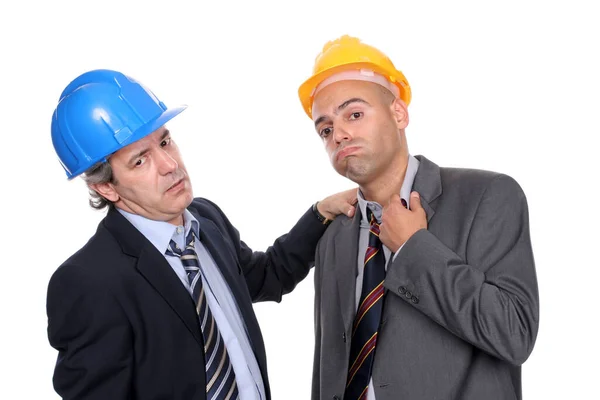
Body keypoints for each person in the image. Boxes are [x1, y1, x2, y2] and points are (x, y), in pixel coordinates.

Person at [46, 69, 357, 400]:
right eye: (140, 161)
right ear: (106, 187)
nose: (169, 164)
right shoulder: (88, 282)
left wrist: (319, 214)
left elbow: (265, 276)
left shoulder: (206, 220)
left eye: (165, 141)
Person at [298, 35, 539, 400]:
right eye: (326, 129)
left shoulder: (487, 197)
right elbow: (329, 365)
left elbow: (514, 333)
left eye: (355, 114)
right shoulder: (334, 236)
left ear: (399, 113)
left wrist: (415, 248)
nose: (339, 135)